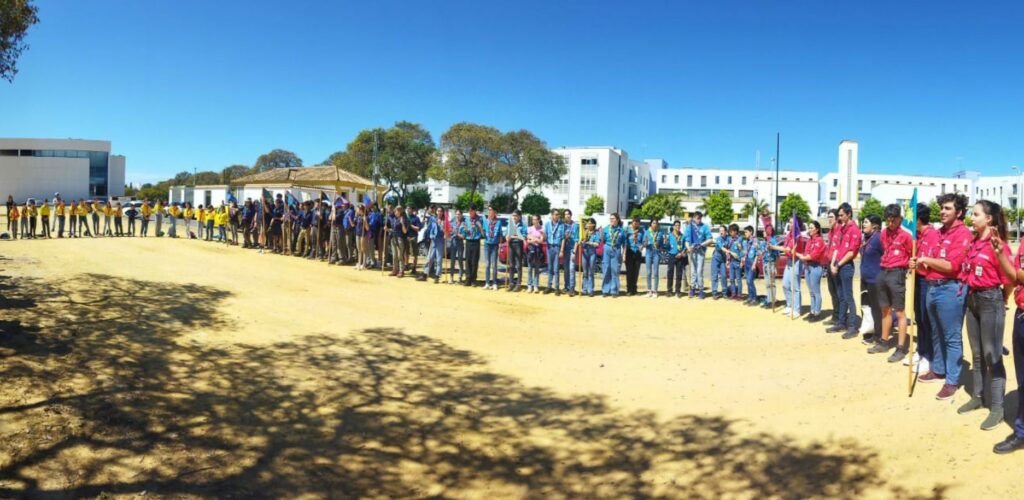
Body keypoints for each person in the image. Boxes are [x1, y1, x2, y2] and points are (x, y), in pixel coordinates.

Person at [955, 200, 1010, 430]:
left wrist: (1002, 300)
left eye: (975, 214)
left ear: (988, 219)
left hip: (990, 300)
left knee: (992, 355)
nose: (971, 217)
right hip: (973, 300)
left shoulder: (999, 245)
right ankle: (978, 397)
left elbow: (1009, 279)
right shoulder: (974, 242)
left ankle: (997, 408)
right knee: (977, 354)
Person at [911, 193, 971, 401]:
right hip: (932, 287)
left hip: (949, 289)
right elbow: (933, 260)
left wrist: (925, 259)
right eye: (942, 208)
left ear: (959, 212)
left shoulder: (962, 234)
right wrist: (919, 263)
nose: (942, 211)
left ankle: (952, 380)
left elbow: (951, 266)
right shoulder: (940, 233)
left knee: (951, 336)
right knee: (936, 331)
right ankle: (938, 369)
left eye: (947, 208)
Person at [991, 219, 1024, 453]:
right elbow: (1014, 277)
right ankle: (1022, 431)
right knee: (1023, 380)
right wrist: (1001, 253)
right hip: (1022, 315)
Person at [869, 205, 913, 361]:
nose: (891, 223)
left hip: (897, 274)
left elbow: (911, 254)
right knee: (885, 310)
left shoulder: (907, 236)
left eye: (893, 220)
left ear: (900, 219)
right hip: (883, 272)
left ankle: (901, 347)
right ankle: (884, 342)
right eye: (888, 220)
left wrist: (909, 265)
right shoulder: (883, 234)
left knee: (899, 312)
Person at [908, 203, 936, 373]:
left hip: (928, 281)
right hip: (917, 279)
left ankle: (929, 355)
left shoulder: (933, 235)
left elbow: (931, 259)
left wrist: (920, 261)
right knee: (919, 317)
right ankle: (921, 350)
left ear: (918, 219)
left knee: (927, 319)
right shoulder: (916, 235)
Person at [827, 203, 861, 338]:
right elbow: (837, 247)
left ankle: (852, 326)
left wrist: (838, 264)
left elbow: (851, 252)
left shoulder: (854, 230)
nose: (839, 218)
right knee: (840, 295)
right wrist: (833, 264)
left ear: (849, 214)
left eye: (841, 215)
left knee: (848, 297)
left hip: (846, 267)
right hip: (838, 265)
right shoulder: (842, 228)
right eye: (838, 215)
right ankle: (841, 322)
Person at [858, 215, 883, 344]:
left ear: (875, 225)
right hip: (865, 279)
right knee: (866, 307)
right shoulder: (866, 238)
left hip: (875, 279)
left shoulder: (879, 238)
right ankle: (869, 331)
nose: (863, 224)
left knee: (876, 308)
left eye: (866, 222)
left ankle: (879, 335)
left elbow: (886, 255)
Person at [797, 221, 827, 321]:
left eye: (811, 228)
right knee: (811, 292)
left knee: (816, 292)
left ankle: (817, 313)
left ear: (817, 229)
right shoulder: (809, 241)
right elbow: (806, 253)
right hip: (808, 267)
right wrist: (800, 255)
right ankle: (812, 311)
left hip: (815, 266)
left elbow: (814, 255)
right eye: (809, 228)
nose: (809, 229)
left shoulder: (819, 241)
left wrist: (803, 257)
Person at [685, 211, 713, 298]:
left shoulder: (705, 227)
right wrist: (688, 247)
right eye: (697, 218)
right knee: (693, 271)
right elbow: (686, 239)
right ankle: (692, 289)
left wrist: (701, 244)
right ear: (693, 218)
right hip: (692, 251)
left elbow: (710, 239)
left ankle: (701, 289)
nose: (698, 220)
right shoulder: (690, 227)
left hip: (700, 251)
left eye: (700, 218)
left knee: (699, 271)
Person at [601, 213, 626, 297]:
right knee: (606, 269)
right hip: (607, 249)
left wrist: (624, 254)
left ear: (617, 220)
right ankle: (605, 290)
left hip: (616, 249)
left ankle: (614, 290)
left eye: (613, 218)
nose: (611, 220)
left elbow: (624, 244)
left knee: (615, 271)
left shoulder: (621, 230)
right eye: (610, 218)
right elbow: (603, 240)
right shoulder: (605, 229)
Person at [823, 209, 841, 326]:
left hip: (836, 263)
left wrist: (834, 264)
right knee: (832, 291)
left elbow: (838, 248)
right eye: (828, 217)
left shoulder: (840, 231)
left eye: (831, 217)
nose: (829, 219)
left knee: (838, 292)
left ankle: (839, 317)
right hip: (829, 263)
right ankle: (835, 315)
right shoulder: (831, 231)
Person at [421, 207, 446, 283]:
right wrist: (430, 235)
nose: (439, 212)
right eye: (438, 211)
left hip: (440, 240)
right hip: (433, 240)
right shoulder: (433, 219)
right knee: (429, 258)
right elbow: (430, 228)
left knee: (439, 259)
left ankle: (437, 276)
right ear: (436, 212)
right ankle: (425, 274)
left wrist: (445, 232)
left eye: (441, 211)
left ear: (443, 212)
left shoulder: (444, 221)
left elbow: (447, 230)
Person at [505, 209, 527, 291]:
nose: (514, 217)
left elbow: (523, 237)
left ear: (519, 217)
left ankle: (518, 284)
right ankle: (511, 283)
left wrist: (513, 236)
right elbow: (506, 234)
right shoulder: (509, 224)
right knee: (511, 265)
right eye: (513, 215)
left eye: (516, 215)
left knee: (518, 265)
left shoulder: (523, 225)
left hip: (518, 244)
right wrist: (507, 237)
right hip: (511, 244)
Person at [763, 225, 783, 310]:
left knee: (772, 283)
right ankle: (769, 299)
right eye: (765, 230)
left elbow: (777, 255)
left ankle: (772, 301)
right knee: (767, 283)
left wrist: (775, 266)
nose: (765, 232)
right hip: (765, 263)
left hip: (771, 263)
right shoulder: (764, 241)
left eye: (766, 230)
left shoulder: (773, 241)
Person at [544, 209, 565, 295]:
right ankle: (549, 286)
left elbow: (563, 238)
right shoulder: (547, 224)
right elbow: (545, 236)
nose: (557, 216)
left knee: (556, 269)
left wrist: (562, 250)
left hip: (557, 247)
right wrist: (543, 236)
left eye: (558, 215)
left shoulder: (561, 225)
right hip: (549, 247)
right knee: (549, 268)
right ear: (552, 215)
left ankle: (556, 288)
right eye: (556, 214)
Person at [482, 206, 502, 290]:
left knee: (494, 265)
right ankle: (487, 282)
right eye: (489, 211)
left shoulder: (498, 222)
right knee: (487, 264)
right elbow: (483, 233)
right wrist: (480, 228)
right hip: (487, 244)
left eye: (491, 211)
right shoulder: (485, 222)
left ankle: (494, 283)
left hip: (495, 245)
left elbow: (500, 234)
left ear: (494, 213)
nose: (489, 212)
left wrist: (500, 244)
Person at [462, 206, 483, 286]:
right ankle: (468, 278)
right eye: (469, 211)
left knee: (474, 261)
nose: (470, 213)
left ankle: (474, 279)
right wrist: (465, 229)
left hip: (476, 241)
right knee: (468, 260)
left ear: (475, 211)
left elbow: (482, 233)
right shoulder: (467, 219)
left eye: (471, 211)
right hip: (468, 240)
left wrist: (478, 227)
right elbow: (465, 231)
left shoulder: (480, 219)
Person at [666, 221, 686, 298]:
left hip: (680, 256)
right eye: (676, 225)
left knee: (679, 274)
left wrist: (681, 253)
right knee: (670, 273)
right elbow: (667, 246)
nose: (677, 227)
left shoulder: (682, 236)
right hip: (672, 256)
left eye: (679, 225)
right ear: (673, 226)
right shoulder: (670, 235)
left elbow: (684, 247)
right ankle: (669, 290)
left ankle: (678, 291)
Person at [625, 216, 644, 296]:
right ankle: (629, 290)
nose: (636, 224)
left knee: (636, 272)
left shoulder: (642, 231)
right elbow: (624, 241)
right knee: (629, 272)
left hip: (637, 252)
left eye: (637, 222)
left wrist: (642, 245)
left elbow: (644, 242)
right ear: (632, 222)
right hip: (629, 252)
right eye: (634, 222)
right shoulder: (627, 230)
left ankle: (634, 289)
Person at [581, 218, 600, 297]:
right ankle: (584, 289)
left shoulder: (596, 233)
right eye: (587, 224)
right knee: (585, 272)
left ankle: (590, 289)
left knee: (591, 272)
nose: (588, 225)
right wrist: (581, 242)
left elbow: (597, 244)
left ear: (593, 225)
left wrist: (590, 242)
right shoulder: (584, 232)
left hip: (592, 252)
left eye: (589, 223)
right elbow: (581, 242)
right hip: (585, 252)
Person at [526, 214, 545, 293]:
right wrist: (536, 239)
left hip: (538, 250)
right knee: (530, 268)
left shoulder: (542, 229)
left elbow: (541, 241)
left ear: (539, 220)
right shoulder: (530, 228)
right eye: (533, 220)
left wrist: (534, 239)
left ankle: (536, 286)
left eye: (535, 219)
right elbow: (528, 240)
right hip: (530, 250)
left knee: (536, 269)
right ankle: (529, 285)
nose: (534, 221)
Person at [644, 219, 663, 297]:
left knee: (656, 272)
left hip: (656, 253)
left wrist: (661, 246)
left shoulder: (660, 233)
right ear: (650, 224)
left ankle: (655, 290)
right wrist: (645, 243)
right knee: (648, 272)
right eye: (653, 223)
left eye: (656, 223)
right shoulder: (646, 232)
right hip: (649, 252)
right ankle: (649, 290)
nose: (655, 224)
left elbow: (661, 245)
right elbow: (644, 243)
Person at [741, 225, 759, 305]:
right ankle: (750, 297)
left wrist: (754, 264)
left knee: (750, 280)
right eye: (744, 232)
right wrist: (742, 261)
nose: (745, 234)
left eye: (746, 232)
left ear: (751, 232)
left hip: (752, 262)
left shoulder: (755, 241)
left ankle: (754, 298)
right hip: (747, 262)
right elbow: (745, 253)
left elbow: (758, 253)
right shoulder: (746, 242)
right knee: (748, 282)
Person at [562, 209, 578, 296]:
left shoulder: (575, 226)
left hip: (572, 249)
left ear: (571, 215)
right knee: (566, 269)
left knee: (572, 269)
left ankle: (572, 288)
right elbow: (562, 238)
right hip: (565, 249)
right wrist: (565, 237)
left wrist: (575, 251)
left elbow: (577, 239)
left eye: (568, 214)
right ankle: (566, 287)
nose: (567, 216)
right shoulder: (563, 226)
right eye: (565, 214)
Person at [710, 225, 729, 299]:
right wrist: (729, 252)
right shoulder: (718, 239)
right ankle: (714, 293)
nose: (721, 232)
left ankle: (724, 292)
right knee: (714, 276)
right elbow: (722, 248)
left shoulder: (728, 238)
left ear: (726, 232)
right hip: (715, 259)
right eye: (720, 230)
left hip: (722, 260)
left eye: (722, 230)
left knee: (724, 276)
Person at [726, 224, 744, 299]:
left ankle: (739, 294)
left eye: (731, 231)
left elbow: (742, 250)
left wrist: (742, 261)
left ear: (736, 231)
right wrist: (727, 260)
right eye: (729, 231)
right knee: (732, 279)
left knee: (739, 279)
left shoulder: (740, 239)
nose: (730, 233)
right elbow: (728, 250)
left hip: (738, 261)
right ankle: (733, 293)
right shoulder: (729, 239)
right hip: (732, 261)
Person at [448, 209, 466, 283]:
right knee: (452, 260)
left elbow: (463, 236)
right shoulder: (452, 222)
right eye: (456, 214)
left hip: (460, 242)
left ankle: (460, 276)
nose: (457, 215)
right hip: (453, 242)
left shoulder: (464, 224)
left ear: (461, 215)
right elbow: (449, 231)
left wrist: (456, 233)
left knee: (460, 260)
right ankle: (451, 277)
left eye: (459, 214)